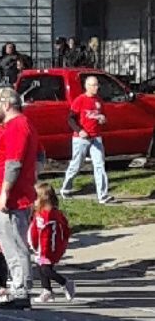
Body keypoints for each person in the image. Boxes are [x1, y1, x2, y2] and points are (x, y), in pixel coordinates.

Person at [0, 87, 40, 310]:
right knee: (9, 243)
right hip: (6, 196)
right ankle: (19, 286)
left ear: (6, 105)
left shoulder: (18, 126)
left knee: (14, 243)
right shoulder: (14, 127)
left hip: (12, 199)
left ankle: (21, 289)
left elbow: (14, 162)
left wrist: (5, 192)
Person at [60, 74, 113, 204]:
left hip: (96, 137)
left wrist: (102, 119)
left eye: (97, 85)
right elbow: (70, 118)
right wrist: (80, 130)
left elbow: (102, 116)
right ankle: (65, 188)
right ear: (87, 86)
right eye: (93, 85)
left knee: (99, 165)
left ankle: (102, 195)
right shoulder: (80, 100)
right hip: (81, 139)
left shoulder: (98, 100)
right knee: (76, 165)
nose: (96, 87)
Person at [30, 183, 76, 303]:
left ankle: (65, 282)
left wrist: (48, 251)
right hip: (41, 247)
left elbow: (52, 236)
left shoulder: (52, 216)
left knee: (45, 269)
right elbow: (35, 230)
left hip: (50, 248)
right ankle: (47, 291)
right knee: (41, 268)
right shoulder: (39, 213)